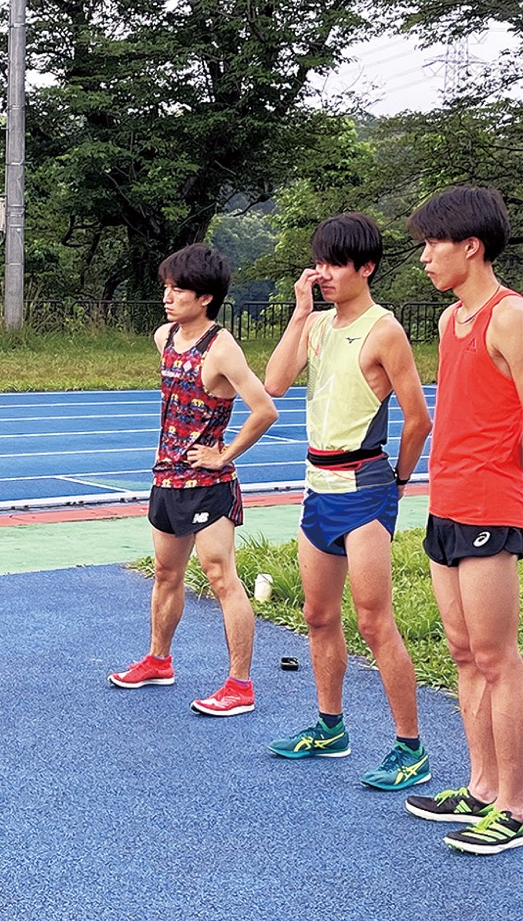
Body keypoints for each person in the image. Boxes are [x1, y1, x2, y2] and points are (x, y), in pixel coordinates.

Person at [263, 213, 432, 791]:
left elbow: (418, 419)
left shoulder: (384, 330)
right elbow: (275, 383)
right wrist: (300, 312)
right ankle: (330, 726)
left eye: (338, 264)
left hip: (365, 487)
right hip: (318, 487)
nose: (325, 273)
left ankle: (410, 748)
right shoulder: (318, 324)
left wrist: (399, 482)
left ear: (367, 268)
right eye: (321, 262)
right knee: (317, 616)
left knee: (373, 620)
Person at [108, 243, 278, 716]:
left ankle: (239, 685)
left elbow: (264, 409)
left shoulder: (221, 348)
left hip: (208, 483)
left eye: (178, 289)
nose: (168, 296)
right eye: (166, 287)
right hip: (166, 476)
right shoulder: (164, 337)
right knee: (165, 573)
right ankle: (159, 661)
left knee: (221, 576)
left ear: (205, 297)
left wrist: (223, 456)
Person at [404, 186, 523, 855]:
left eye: (432, 244)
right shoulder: (453, 321)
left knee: (499, 658)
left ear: (470, 246)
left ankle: (516, 805)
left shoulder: (511, 317)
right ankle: (481, 787)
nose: (424, 257)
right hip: (445, 503)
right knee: (463, 653)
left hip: (492, 508)